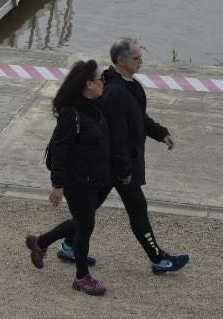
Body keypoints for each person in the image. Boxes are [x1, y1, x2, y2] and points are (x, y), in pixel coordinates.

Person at [73, 36, 189, 275]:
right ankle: (158, 259)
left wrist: (161, 133)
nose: (141, 61)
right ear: (121, 60)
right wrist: (125, 170)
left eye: (141, 56)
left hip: (118, 165)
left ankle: (62, 244)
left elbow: (138, 118)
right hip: (119, 167)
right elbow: (117, 136)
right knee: (137, 209)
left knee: (88, 210)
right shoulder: (116, 92)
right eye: (137, 58)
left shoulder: (129, 84)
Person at [24, 59, 113, 296]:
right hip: (77, 181)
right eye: (101, 79)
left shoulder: (97, 107)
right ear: (88, 85)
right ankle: (81, 277)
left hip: (96, 178)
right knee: (86, 225)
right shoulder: (71, 114)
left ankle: (40, 242)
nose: (105, 82)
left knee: (82, 220)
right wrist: (58, 185)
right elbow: (60, 151)